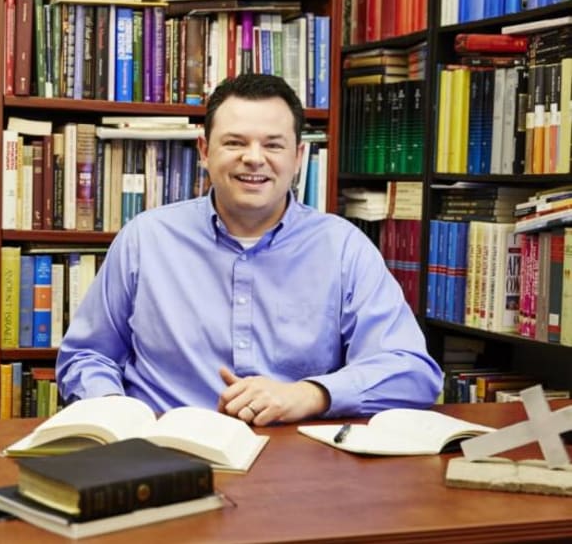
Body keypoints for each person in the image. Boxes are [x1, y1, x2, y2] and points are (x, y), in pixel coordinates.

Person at [56, 73, 442, 425]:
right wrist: (111, 408)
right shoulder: (145, 239)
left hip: (297, 460)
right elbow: (87, 356)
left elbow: (412, 372)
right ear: (205, 151)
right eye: (235, 143)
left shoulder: (343, 248)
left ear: (298, 158)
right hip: (164, 453)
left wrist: (310, 394)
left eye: (273, 144)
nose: (254, 158)